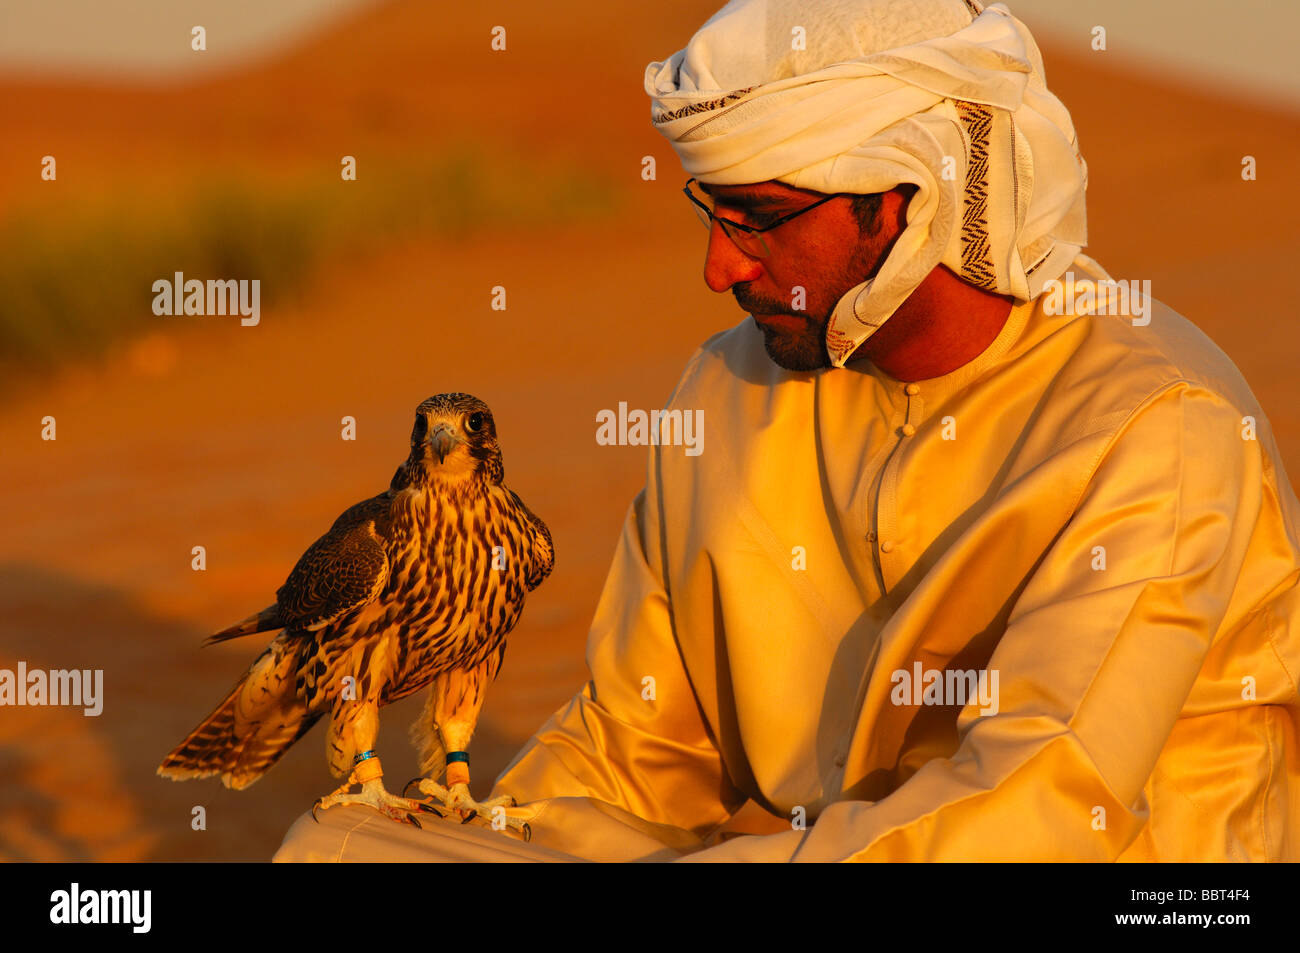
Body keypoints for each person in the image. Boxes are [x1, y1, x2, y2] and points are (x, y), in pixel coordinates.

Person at [276, 0, 1300, 862]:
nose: (718, 270)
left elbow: (1035, 804)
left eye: (756, 218)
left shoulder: (1154, 424)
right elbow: (633, 754)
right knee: (341, 850)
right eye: (707, 215)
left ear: (910, 202)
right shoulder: (726, 392)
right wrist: (498, 837)